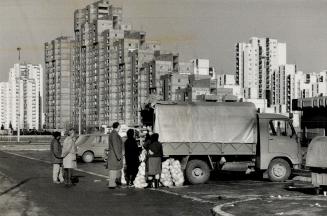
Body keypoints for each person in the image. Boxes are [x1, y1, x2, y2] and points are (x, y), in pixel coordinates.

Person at [107, 122, 123, 189]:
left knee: (115, 169)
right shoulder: (114, 134)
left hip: (114, 155)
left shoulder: (114, 134)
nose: (120, 128)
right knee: (113, 169)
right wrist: (118, 156)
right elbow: (115, 146)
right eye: (119, 126)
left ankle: (114, 183)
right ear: (117, 126)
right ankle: (112, 184)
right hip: (114, 155)